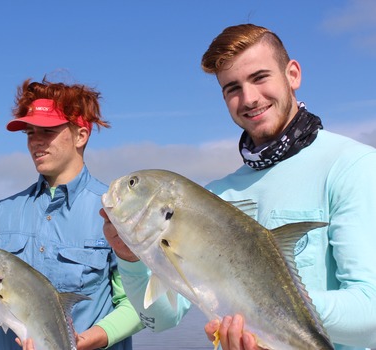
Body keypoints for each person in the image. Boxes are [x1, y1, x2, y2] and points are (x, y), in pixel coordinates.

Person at [100, 23, 376, 350]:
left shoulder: (352, 165)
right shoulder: (219, 195)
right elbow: (161, 321)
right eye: (232, 88)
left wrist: (264, 305)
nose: (249, 98)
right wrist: (129, 258)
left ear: (293, 75)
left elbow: (369, 312)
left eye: (260, 77)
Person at [0, 78, 144, 350]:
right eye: (30, 133)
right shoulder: (1, 213)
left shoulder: (117, 211)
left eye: (48, 131)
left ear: (81, 135)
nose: (36, 142)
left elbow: (138, 305)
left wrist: (88, 340)